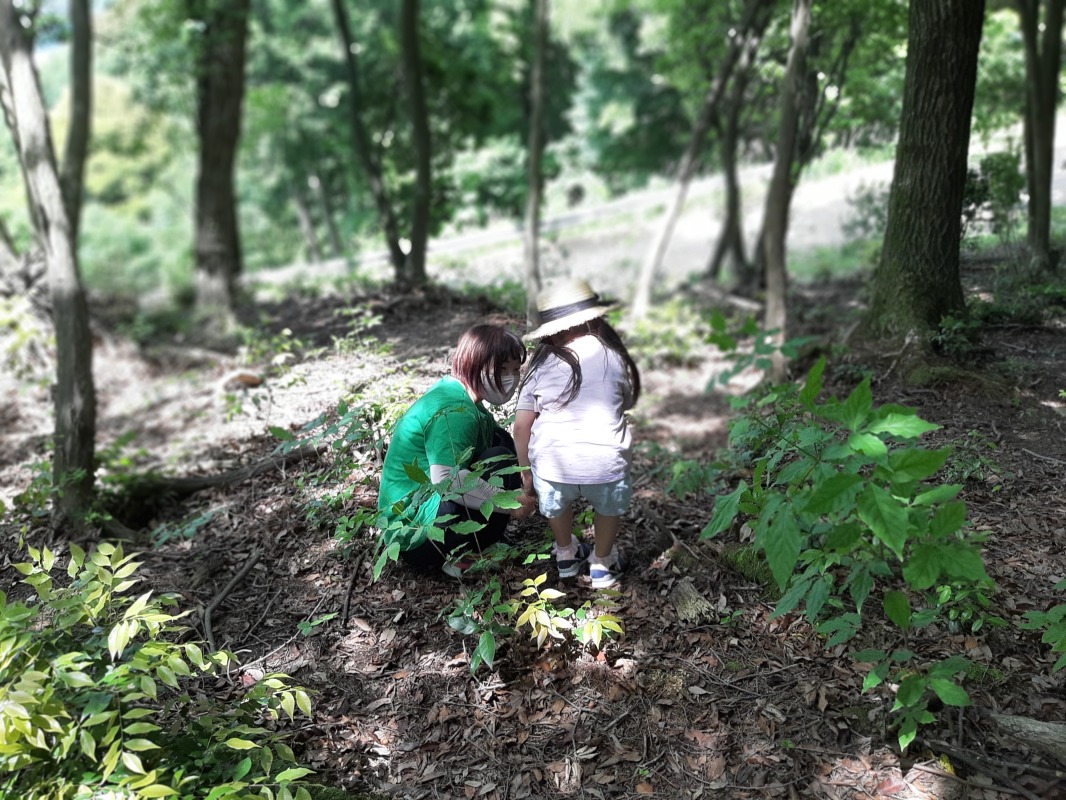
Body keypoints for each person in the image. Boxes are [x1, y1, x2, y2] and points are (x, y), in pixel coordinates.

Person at [376, 324, 537, 577]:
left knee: (500, 440)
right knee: (499, 458)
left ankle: (471, 545)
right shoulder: (454, 411)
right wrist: (509, 501)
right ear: (475, 364)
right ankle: (464, 554)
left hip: (416, 524)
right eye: (501, 369)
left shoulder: (458, 395)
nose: (510, 378)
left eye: (515, 370)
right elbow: (447, 480)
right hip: (417, 536)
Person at [513, 278, 641, 589]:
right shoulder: (614, 356)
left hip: (553, 465)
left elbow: (521, 426)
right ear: (594, 319)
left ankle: (566, 555)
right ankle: (601, 563)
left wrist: (526, 474)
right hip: (606, 464)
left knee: (557, 503)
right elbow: (624, 402)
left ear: (550, 330)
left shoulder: (541, 363)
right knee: (607, 509)